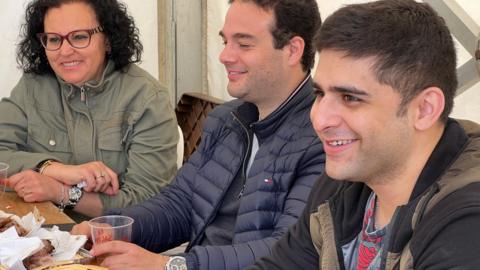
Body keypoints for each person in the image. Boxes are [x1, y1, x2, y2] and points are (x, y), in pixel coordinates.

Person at [72, 0, 339, 269]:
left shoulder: (324, 139)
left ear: (292, 50)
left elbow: (288, 251)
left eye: (243, 44)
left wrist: (171, 265)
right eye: (226, 42)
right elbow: (179, 206)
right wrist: (106, 230)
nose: (225, 56)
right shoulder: (226, 121)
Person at [248, 0, 480, 269]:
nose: (320, 119)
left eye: (350, 98)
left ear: (424, 109)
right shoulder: (342, 184)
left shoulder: (468, 223)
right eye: (319, 93)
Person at [0, 0, 178, 219]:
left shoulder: (148, 99)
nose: (65, 50)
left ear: (109, 39)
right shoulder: (32, 86)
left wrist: (61, 192)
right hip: (41, 238)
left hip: (117, 245)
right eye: (54, 39)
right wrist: (54, 169)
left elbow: (147, 202)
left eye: (79, 37)